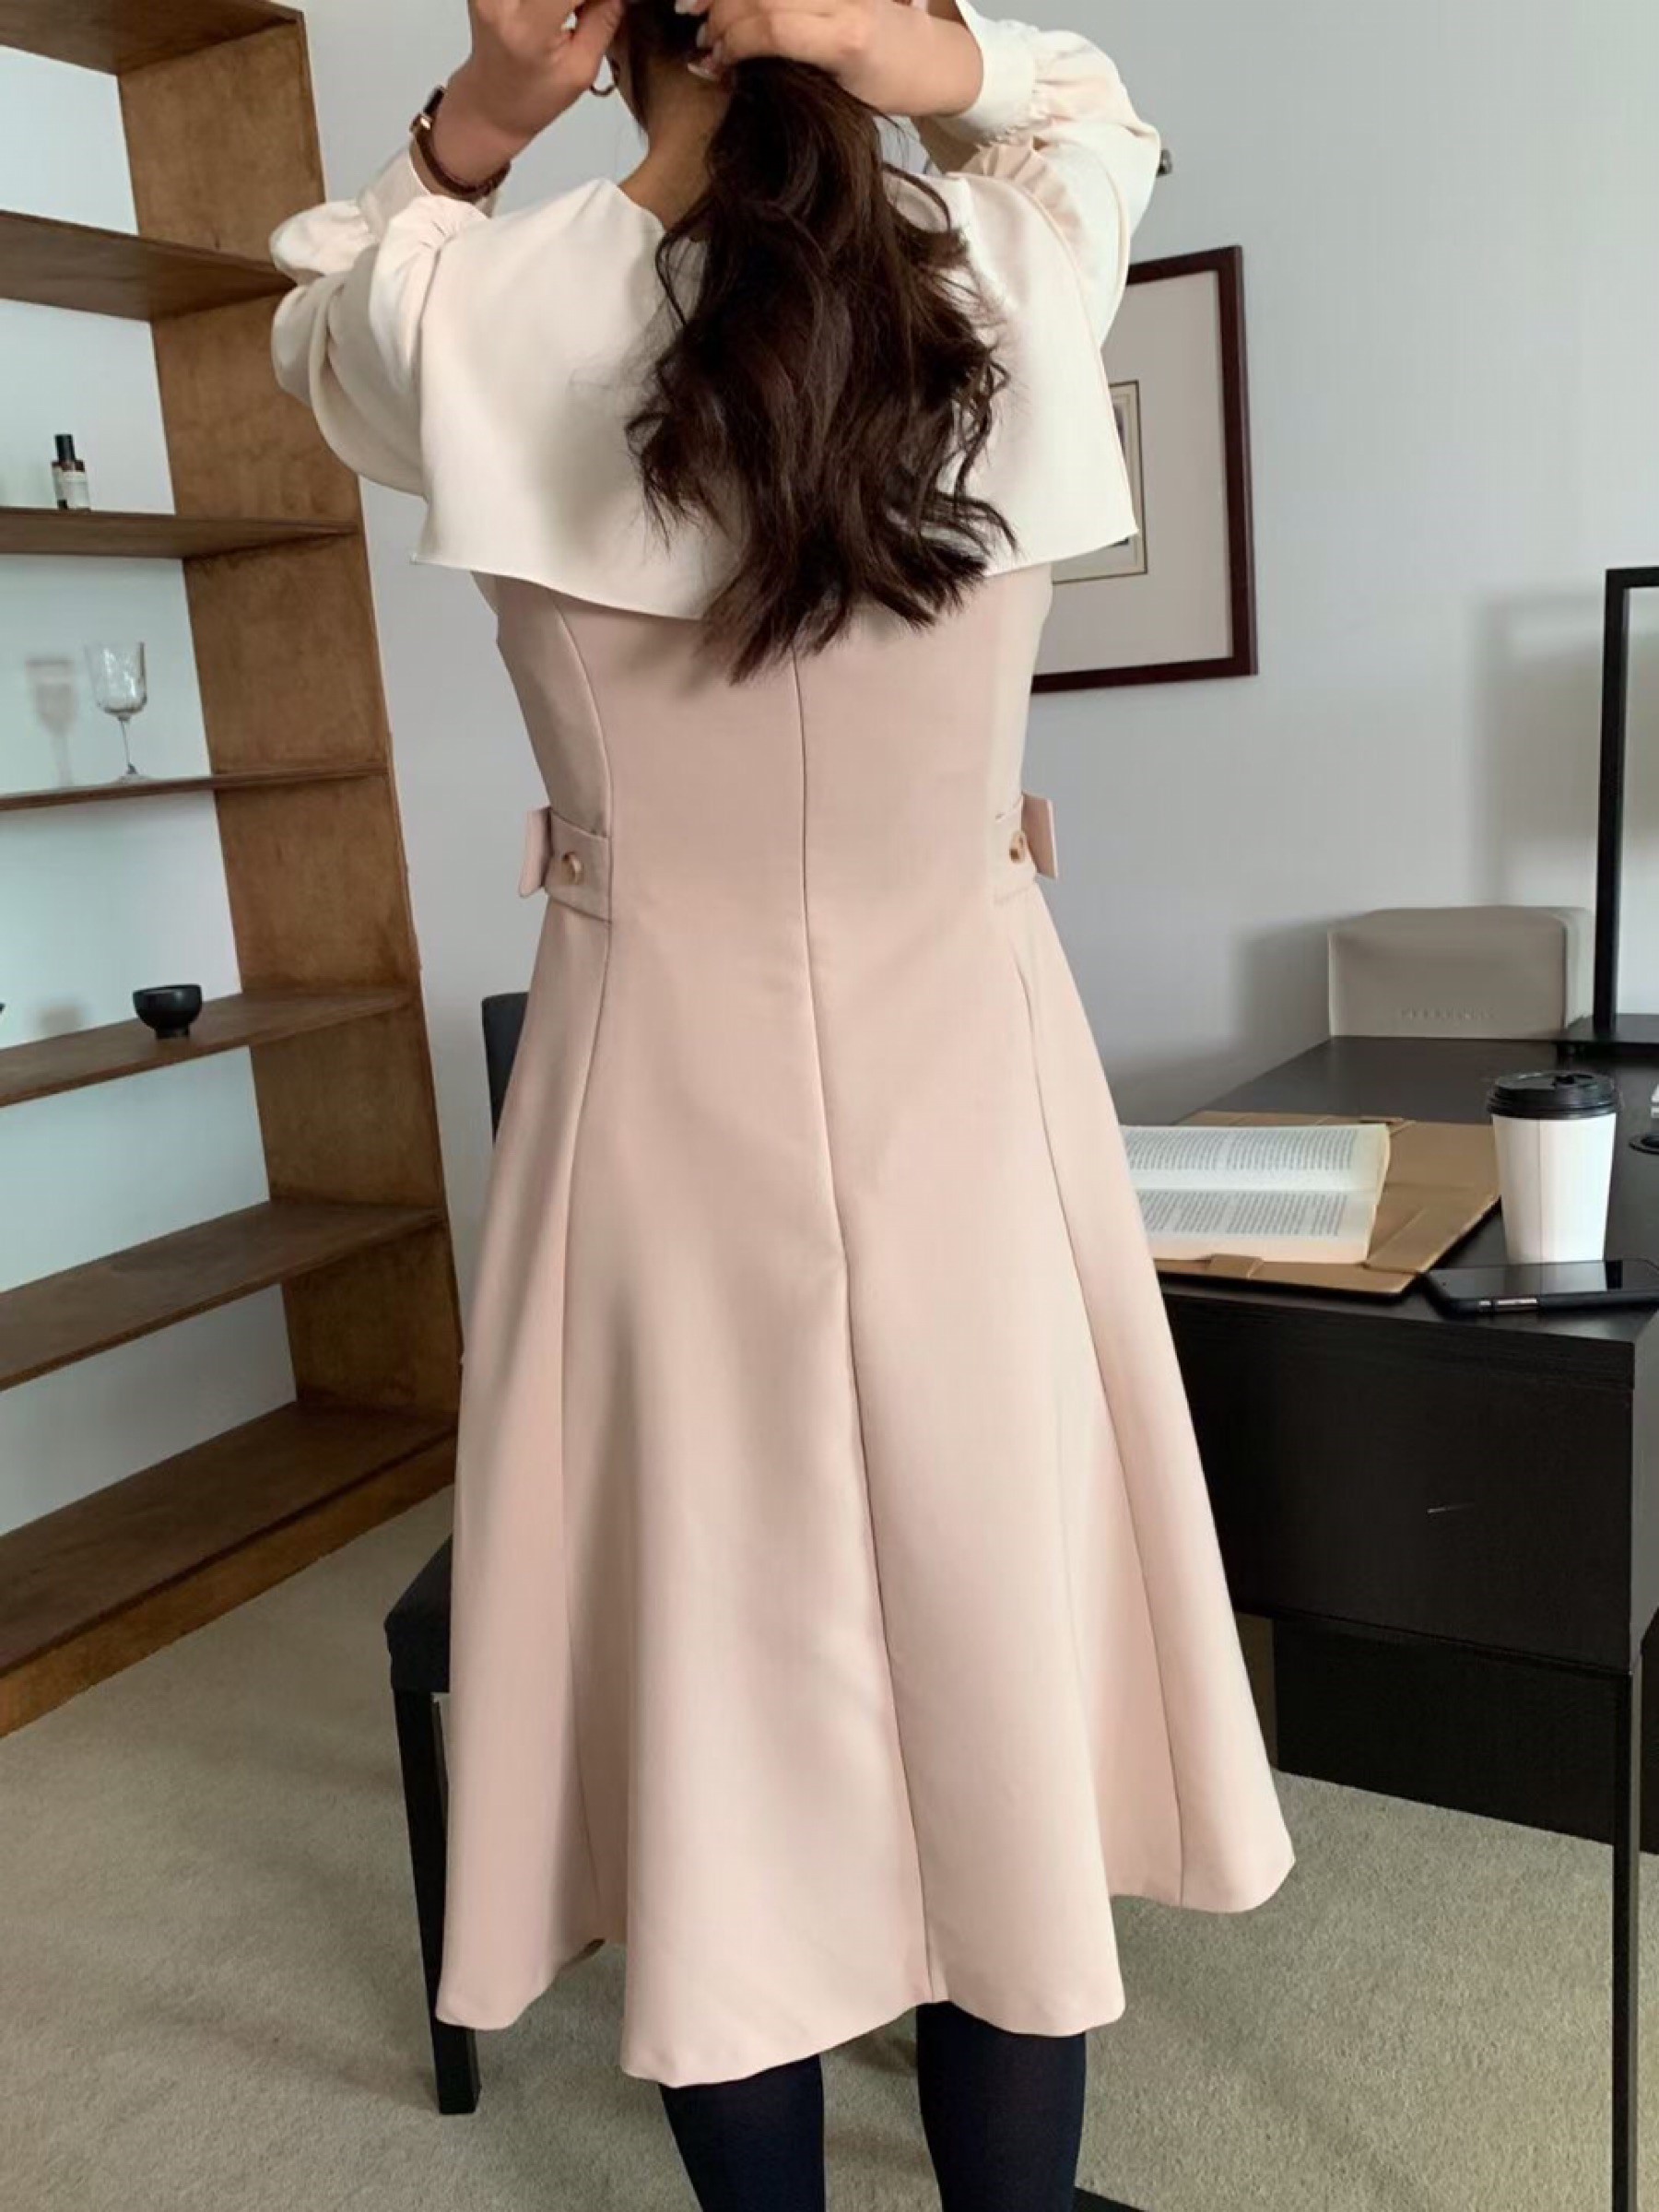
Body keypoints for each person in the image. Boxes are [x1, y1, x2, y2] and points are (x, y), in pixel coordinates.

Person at [270, 0, 1295, 2202]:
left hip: (653, 1105)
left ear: (610, 36)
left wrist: (484, 117)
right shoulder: (1002, 272)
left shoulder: (466, 307)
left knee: (712, 1726)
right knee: (997, 1679)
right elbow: (1085, 107)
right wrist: (889, 41)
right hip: (972, 1095)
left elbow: (321, 328)